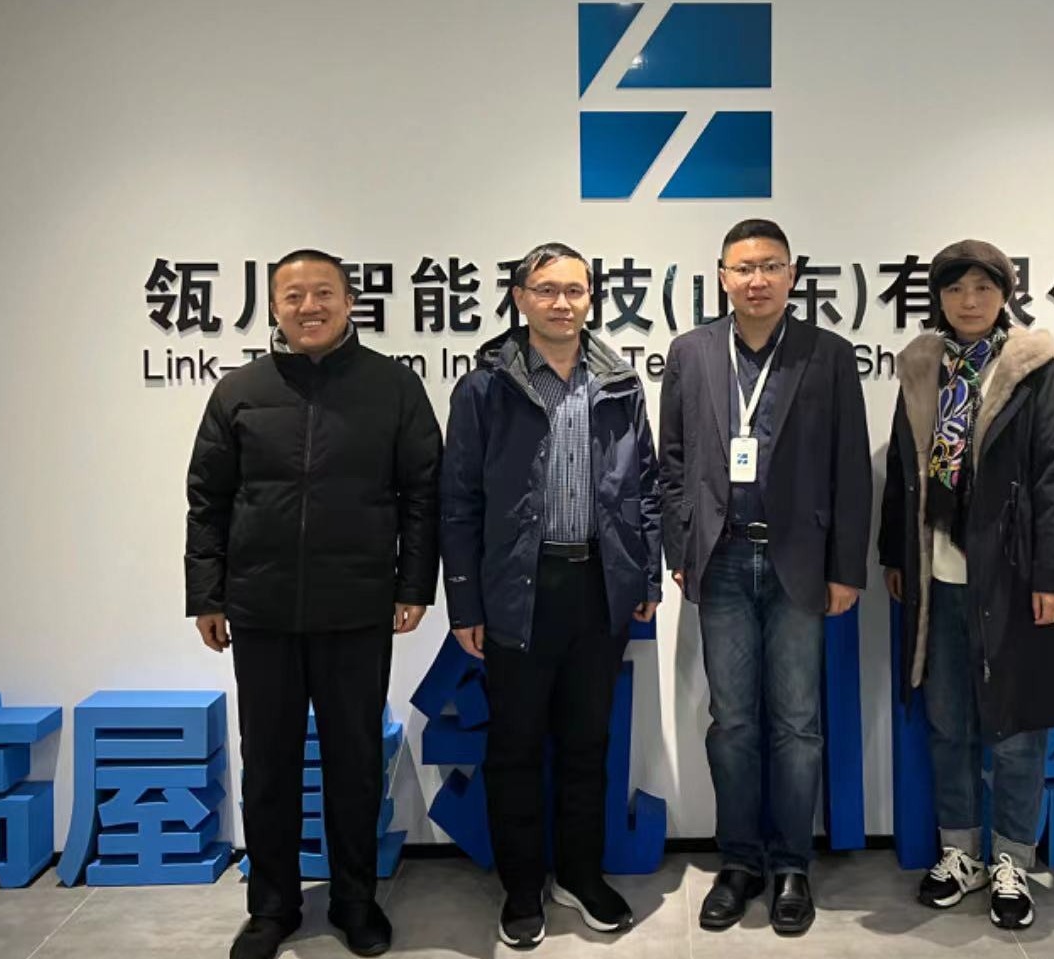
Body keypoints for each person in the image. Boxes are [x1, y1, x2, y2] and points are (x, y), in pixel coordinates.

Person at [185, 248, 441, 959]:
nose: (309, 307)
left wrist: (413, 585)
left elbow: (423, 494)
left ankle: (357, 902)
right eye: (293, 296)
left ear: (349, 301)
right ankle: (272, 906)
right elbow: (207, 500)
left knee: (354, 762)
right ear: (273, 306)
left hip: (357, 606)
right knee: (269, 764)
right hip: (260, 609)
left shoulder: (393, 386)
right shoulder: (240, 391)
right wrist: (207, 593)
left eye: (323, 292)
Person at [439, 242, 662, 950]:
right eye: (546, 289)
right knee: (513, 746)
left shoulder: (619, 382)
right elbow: (459, 503)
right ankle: (520, 886)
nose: (561, 302)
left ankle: (579, 874)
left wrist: (645, 575)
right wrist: (465, 603)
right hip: (519, 589)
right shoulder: (485, 387)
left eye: (574, 289)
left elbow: (646, 486)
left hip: (598, 585)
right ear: (520, 298)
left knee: (587, 743)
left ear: (591, 298)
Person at [659, 218, 871, 936]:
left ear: (792, 275)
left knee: (798, 724)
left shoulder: (827, 353)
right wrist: (680, 547)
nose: (757, 280)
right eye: (743, 268)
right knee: (733, 723)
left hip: (799, 564)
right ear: (721, 276)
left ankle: (792, 865)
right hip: (719, 560)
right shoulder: (691, 352)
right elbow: (673, 459)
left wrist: (846, 567)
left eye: (770, 267)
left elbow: (849, 467)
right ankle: (739, 860)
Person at [878, 238, 1054, 930]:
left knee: (1016, 729)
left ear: (1004, 296)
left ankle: (1013, 860)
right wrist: (895, 555)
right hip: (938, 579)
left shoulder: (1032, 370)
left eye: (983, 288)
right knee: (948, 723)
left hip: (1014, 579)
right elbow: (904, 474)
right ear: (937, 298)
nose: (969, 301)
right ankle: (961, 851)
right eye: (955, 289)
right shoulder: (922, 368)